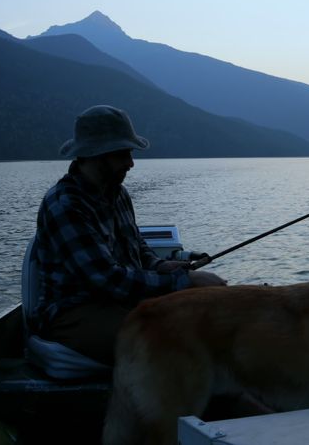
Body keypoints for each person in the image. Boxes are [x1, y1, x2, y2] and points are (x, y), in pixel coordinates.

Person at [32, 104, 226, 365]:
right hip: (74, 312)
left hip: (120, 302)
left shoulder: (118, 193)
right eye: (123, 154)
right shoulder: (65, 205)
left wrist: (164, 266)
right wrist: (185, 281)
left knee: (210, 317)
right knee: (174, 341)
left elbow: (139, 252)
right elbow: (106, 279)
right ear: (98, 155)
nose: (131, 163)